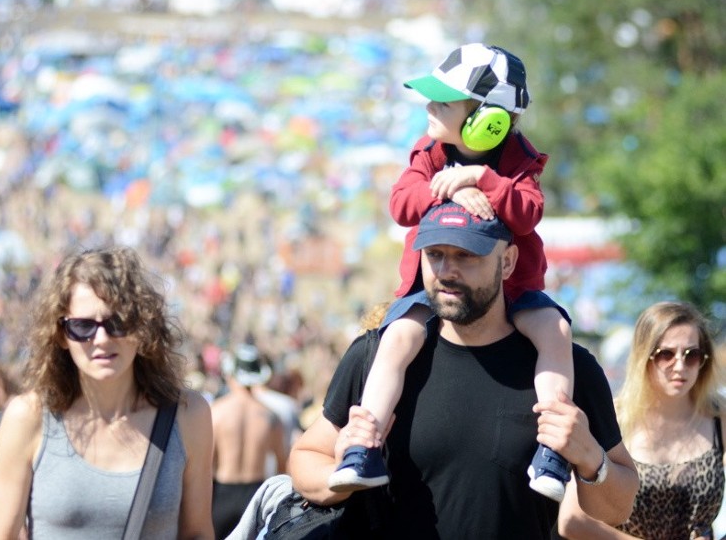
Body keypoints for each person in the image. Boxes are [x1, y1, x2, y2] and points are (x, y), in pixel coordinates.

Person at [292, 202, 639, 538]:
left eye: (466, 255)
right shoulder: (378, 356)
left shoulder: (566, 368)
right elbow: (306, 457)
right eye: (435, 255)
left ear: (507, 262)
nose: (446, 271)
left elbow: (618, 508)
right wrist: (338, 473)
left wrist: (590, 457)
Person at [329, 42, 576, 503]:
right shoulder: (429, 151)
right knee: (396, 339)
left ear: (489, 118)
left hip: (513, 289)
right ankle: (364, 446)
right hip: (431, 288)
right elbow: (401, 203)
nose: (428, 106)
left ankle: (552, 448)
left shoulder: (519, 159)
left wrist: (484, 181)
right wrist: (445, 193)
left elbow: (528, 213)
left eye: (442, 101)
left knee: (555, 330)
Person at [0, 246, 214, 539]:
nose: (101, 339)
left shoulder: (189, 415)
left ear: (142, 327)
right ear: (61, 335)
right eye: (82, 326)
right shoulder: (28, 417)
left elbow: (197, 532)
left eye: (117, 322)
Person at [557, 301, 724, 539]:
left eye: (692, 355)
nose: (680, 366)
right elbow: (572, 520)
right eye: (666, 354)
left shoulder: (719, 417)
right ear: (644, 357)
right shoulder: (614, 417)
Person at [211, 343, 288, 539]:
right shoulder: (270, 416)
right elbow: (282, 465)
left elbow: (206, 463)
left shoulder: (217, 412)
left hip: (222, 494)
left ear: (230, 374)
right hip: (255, 495)